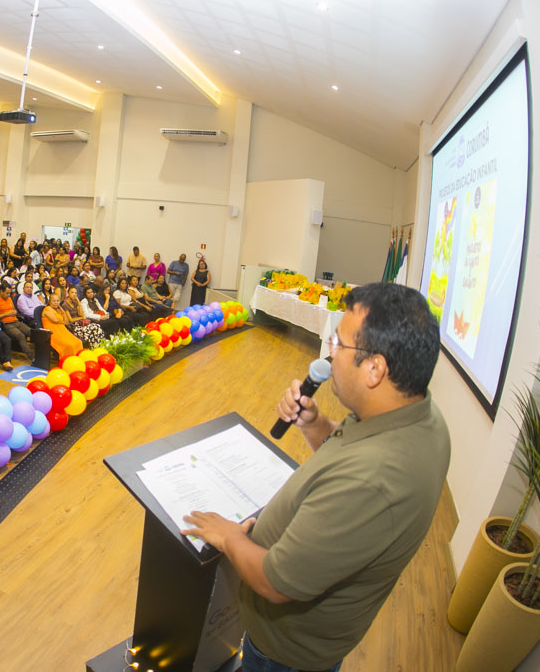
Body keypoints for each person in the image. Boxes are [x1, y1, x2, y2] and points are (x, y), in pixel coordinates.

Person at [181, 283, 450, 672]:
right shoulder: (418, 413)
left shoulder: (374, 481)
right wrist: (314, 423)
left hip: (284, 654)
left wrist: (229, 536)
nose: (328, 355)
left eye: (338, 344)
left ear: (375, 368)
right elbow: (350, 450)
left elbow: (276, 582)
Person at [0, 283, 34, 357]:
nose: (8, 295)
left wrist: (15, 312)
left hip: (15, 321)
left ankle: (40, 352)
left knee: (31, 332)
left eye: (9, 293)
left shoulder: (9, 298)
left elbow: (13, 309)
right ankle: (30, 356)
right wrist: (7, 314)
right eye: (7, 293)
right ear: (1, 291)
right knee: (21, 336)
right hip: (6, 324)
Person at [40, 292, 83, 358]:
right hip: (53, 333)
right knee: (70, 345)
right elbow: (55, 320)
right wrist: (63, 321)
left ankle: (78, 360)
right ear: (49, 301)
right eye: (54, 301)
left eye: (57, 301)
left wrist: (63, 312)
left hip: (62, 332)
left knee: (78, 342)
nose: (56, 302)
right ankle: (68, 360)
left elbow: (66, 322)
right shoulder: (47, 309)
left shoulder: (58, 310)